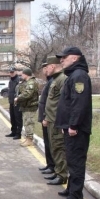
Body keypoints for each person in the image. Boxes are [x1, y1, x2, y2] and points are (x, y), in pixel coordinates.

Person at [55, 46, 93, 199]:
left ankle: (75, 197)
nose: (61, 60)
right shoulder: (73, 75)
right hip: (71, 128)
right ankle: (71, 189)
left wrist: (73, 125)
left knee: (76, 162)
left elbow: (79, 104)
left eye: (65, 57)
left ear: (75, 58)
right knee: (71, 160)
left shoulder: (79, 76)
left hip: (76, 129)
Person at [42, 56, 69, 186]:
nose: (46, 69)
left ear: (52, 66)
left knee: (59, 147)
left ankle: (62, 175)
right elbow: (51, 101)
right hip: (51, 119)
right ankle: (58, 171)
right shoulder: (55, 79)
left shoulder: (62, 79)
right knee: (54, 147)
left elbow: (64, 102)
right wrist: (47, 117)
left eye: (47, 67)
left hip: (57, 120)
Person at [37, 64, 55, 174]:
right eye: (43, 68)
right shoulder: (49, 81)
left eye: (46, 68)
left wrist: (46, 117)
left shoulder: (53, 81)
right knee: (47, 143)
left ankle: (52, 166)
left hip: (48, 117)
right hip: (45, 116)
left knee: (51, 144)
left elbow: (51, 102)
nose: (44, 70)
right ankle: (49, 164)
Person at [14, 68, 39, 147]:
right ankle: (28, 138)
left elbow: (27, 93)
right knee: (26, 123)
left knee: (29, 122)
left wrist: (18, 98)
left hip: (30, 106)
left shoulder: (31, 82)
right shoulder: (26, 82)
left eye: (22, 74)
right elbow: (20, 89)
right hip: (26, 106)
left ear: (26, 74)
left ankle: (30, 140)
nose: (21, 75)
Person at [5, 67, 23, 139]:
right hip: (11, 102)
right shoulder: (11, 81)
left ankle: (18, 133)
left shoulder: (18, 80)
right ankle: (13, 131)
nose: (11, 73)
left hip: (17, 102)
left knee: (18, 118)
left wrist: (17, 98)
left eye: (12, 72)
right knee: (12, 117)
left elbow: (21, 91)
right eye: (10, 72)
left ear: (15, 72)